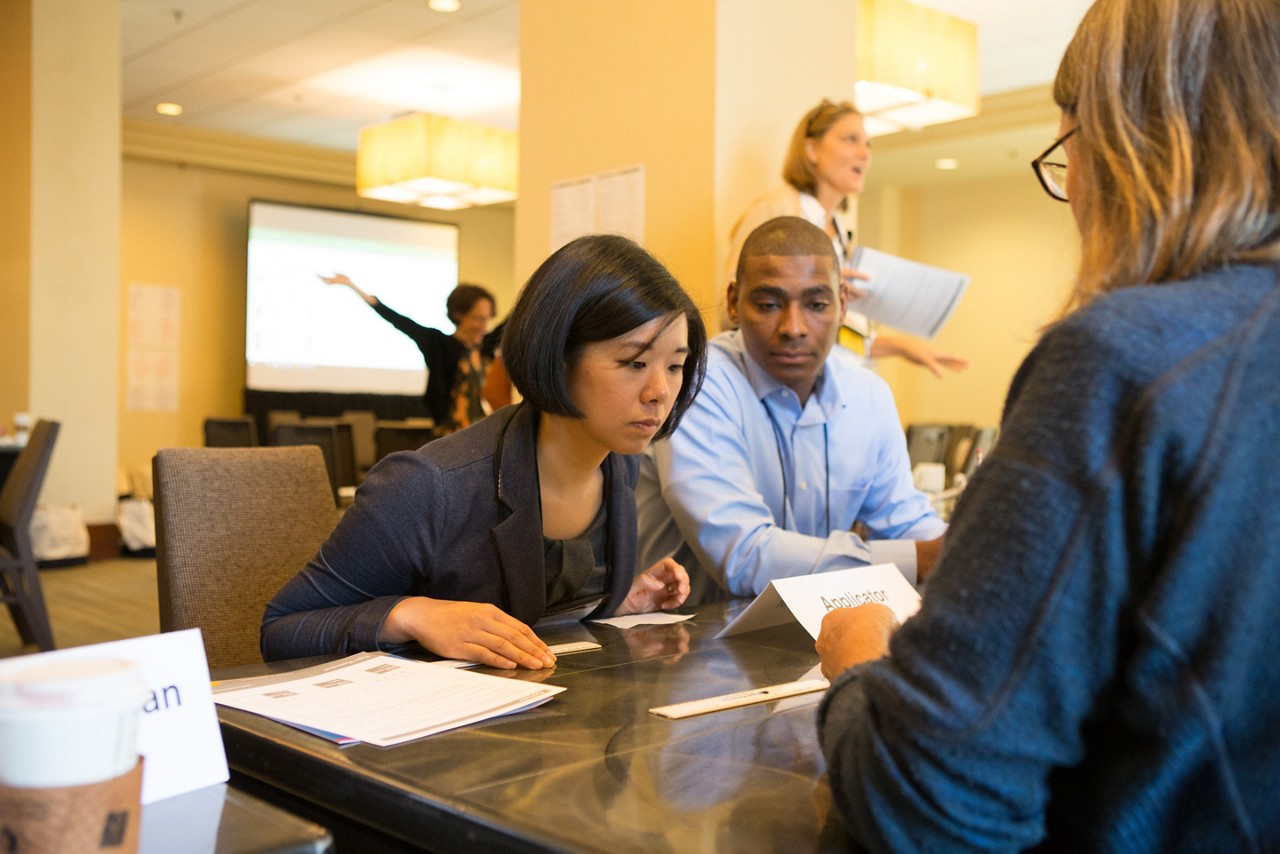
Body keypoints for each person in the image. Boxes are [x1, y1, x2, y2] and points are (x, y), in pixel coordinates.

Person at [815, 0, 1280, 849]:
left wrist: (858, 666)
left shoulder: (1121, 363)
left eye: (1066, 154)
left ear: (1125, 142)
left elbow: (933, 799)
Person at [265, 234, 708, 668]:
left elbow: (525, 613)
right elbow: (283, 629)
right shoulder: (425, 487)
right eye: (634, 363)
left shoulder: (621, 465)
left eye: (674, 366)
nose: (660, 391)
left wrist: (612, 599)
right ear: (557, 356)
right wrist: (412, 614)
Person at [636, 216, 945, 603]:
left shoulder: (869, 396)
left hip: (816, 635)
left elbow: (907, 521)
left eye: (816, 304)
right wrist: (919, 559)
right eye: (768, 304)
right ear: (734, 302)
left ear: (843, 303)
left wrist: (962, 550)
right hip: (681, 645)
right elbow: (744, 557)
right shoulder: (698, 382)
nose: (793, 327)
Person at [724, 99, 968, 377]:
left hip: (838, 381)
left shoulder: (841, 229)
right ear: (811, 149)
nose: (865, 154)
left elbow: (833, 333)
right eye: (851, 139)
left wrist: (902, 347)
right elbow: (730, 313)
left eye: (868, 144)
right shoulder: (773, 211)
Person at [318, 273, 497, 432]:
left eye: (487, 319)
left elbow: (515, 319)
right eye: (478, 319)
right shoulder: (438, 344)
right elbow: (398, 320)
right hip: (448, 435)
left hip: (482, 434)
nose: (484, 326)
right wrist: (352, 286)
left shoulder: (485, 347)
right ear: (458, 314)